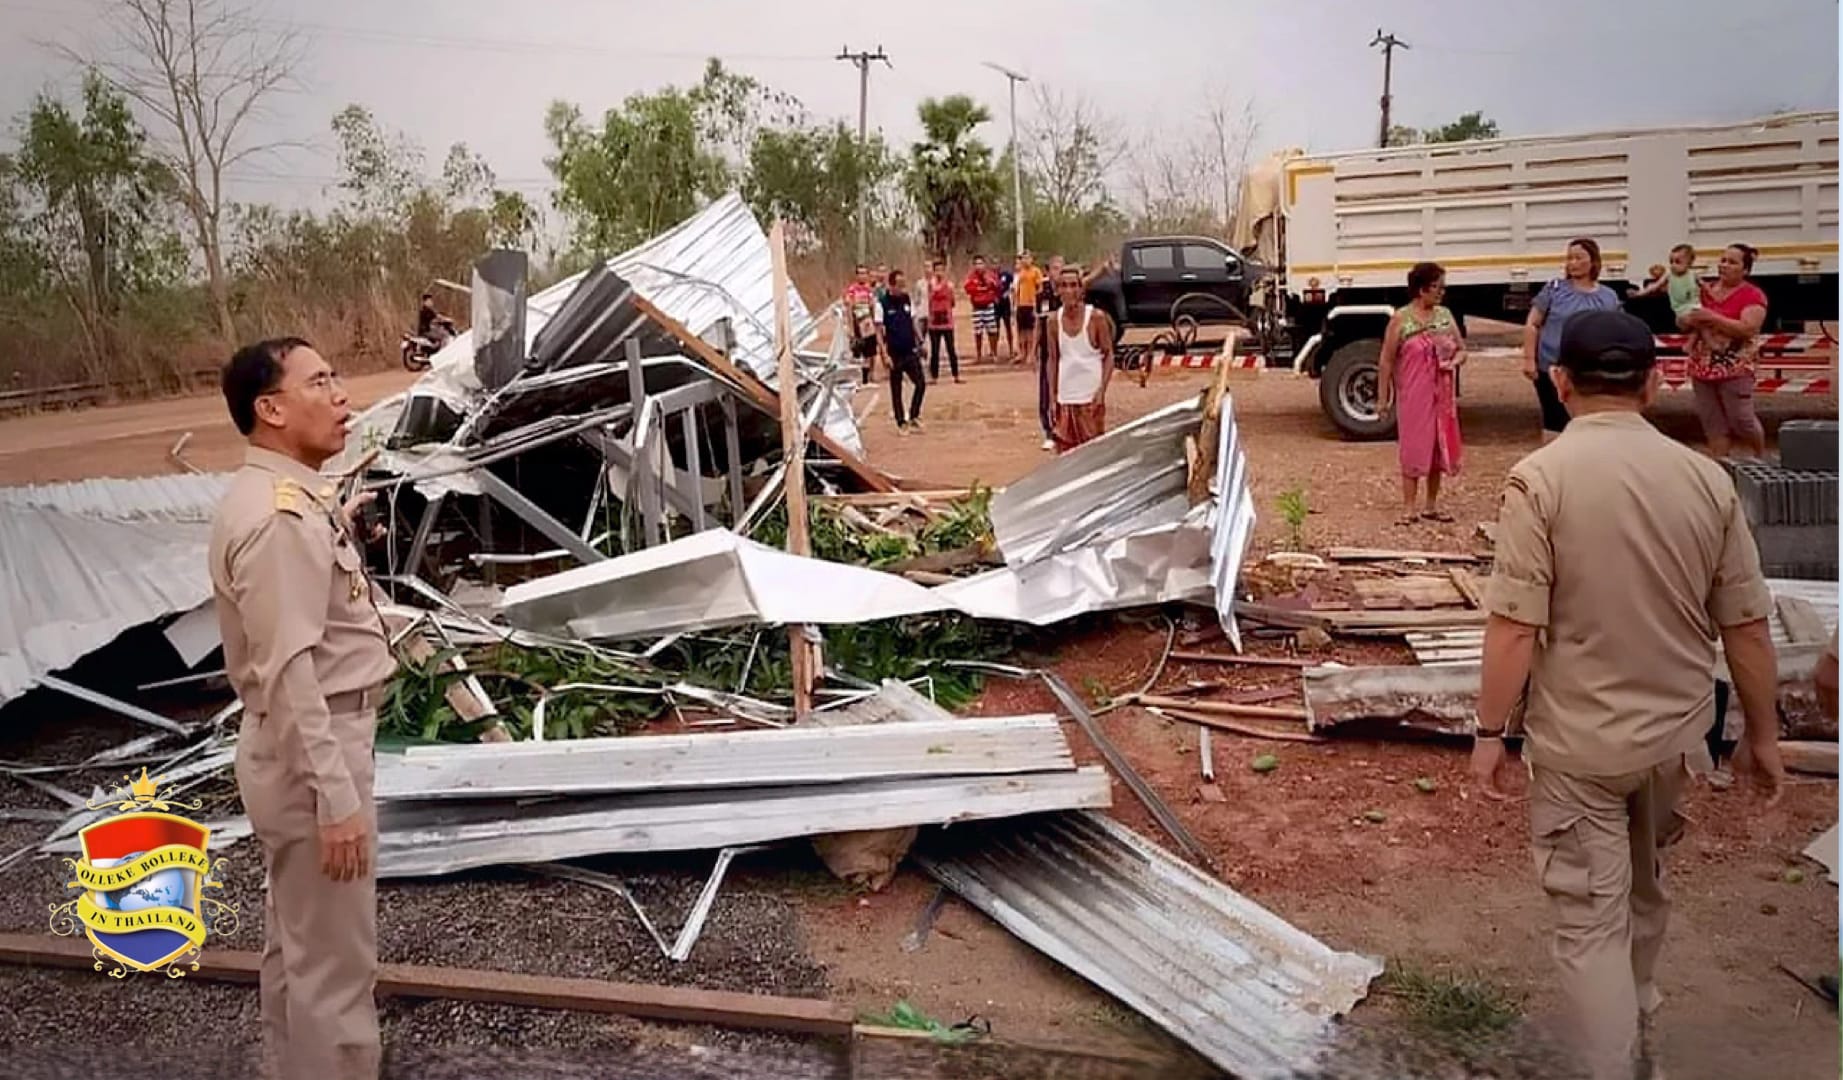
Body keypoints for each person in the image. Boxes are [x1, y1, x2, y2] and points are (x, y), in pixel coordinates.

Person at [1472, 309, 1784, 1080]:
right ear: (1654, 381)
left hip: (1580, 746)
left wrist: (1487, 737)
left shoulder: (1539, 479)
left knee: (1588, 923)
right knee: (1645, 894)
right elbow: (1744, 625)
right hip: (1672, 740)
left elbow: (1514, 627)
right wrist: (1763, 737)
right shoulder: (1704, 478)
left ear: (1558, 382)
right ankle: (1640, 1036)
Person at [211, 338, 398, 1080]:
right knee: (336, 974)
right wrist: (335, 796)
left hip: (292, 751)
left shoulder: (284, 498)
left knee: (298, 951)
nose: (342, 395)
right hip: (314, 752)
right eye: (320, 381)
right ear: (272, 408)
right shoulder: (281, 518)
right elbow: (290, 672)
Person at [1377, 262, 1465, 526]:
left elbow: (1462, 349)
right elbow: (1386, 360)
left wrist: (1455, 362)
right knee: (1414, 445)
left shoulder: (1445, 316)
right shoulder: (1401, 319)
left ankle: (1431, 505)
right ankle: (1408, 507)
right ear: (1421, 289)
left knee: (1439, 447)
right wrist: (1383, 397)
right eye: (1437, 287)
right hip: (1414, 394)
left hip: (1442, 393)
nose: (1441, 293)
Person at [1522, 238, 1620, 442]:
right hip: (1552, 368)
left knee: (1588, 420)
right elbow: (1533, 323)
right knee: (1555, 420)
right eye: (1569, 258)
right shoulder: (1555, 289)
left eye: (1578, 258)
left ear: (1593, 261)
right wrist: (1529, 359)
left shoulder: (1608, 297)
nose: (1572, 263)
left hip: (1590, 370)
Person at [1682, 243, 1769, 459]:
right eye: (1722, 260)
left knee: (1742, 419)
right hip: (1702, 367)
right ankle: (1721, 467)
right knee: (1712, 422)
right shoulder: (1704, 291)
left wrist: (1712, 318)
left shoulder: (1753, 295)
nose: (1724, 265)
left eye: (1732, 262)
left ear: (1745, 270)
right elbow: (1684, 322)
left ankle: (1760, 458)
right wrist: (1686, 318)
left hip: (1735, 367)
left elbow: (1748, 329)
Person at [1046, 266, 1115, 452]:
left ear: (1081, 289)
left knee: (1093, 453)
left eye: (1074, 285)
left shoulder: (1096, 318)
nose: (1069, 291)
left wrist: (1101, 391)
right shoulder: (1053, 321)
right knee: (1065, 456)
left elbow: (1108, 355)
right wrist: (1052, 398)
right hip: (1065, 398)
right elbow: (1052, 359)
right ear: (1058, 290)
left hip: (1090, 398)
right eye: (1064, 286)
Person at [877, 269, 925, 432]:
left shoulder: (906, 299)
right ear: (891, 285)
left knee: (921, 383)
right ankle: (901, 422)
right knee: (896, 389)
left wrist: (921, 341)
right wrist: (884, 355)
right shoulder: (882, 303)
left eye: (903, 285)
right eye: (899, 285)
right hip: (894, 353)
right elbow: (878, 331)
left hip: (909, 350)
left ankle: (913, 415)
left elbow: (913, 322)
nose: (902, 288)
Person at [1628, 244, 1701, 329]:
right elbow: (1654, 286)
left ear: (1689, 263)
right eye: (1671, 262)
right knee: (1692, 324)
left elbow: (1705, 288)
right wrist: (1638, 293)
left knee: (1701, 325)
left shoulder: (1693, 275)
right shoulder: (1669, 275)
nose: (1673, 265)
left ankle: (1697, 341)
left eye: (1677, 262)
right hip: (1680, 311)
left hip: (1695, 308)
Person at [926, 258, 960, 383]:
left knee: (951, 349)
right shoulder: (930, 285)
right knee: (935, 351)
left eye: (941, 270)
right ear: (934, 271)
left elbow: (953, 302)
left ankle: (956, 375)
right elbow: (929, 300)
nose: (939, 272)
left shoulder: (949, 285)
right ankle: (934, 376)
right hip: (934, 322)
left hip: (947, 322)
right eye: (937, 270)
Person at [844, 265, 879, 383]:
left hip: (868, 323)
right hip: (857, 323)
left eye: (864, 273)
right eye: (860, 273)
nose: (862, 276)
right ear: (856, 275)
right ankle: (860, 378)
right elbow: (849, 308)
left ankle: (869, 376)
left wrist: (875, 323)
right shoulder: (852, 290)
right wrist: (850, 327)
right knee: (858, 350)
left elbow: (872, 306)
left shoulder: (869, 290)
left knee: (870, 351)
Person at [964, 255, 1002, 363]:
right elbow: (968, 289)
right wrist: (979, 289)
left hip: (988, 306)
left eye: (981, 263)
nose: (979, 266)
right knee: (978, 332)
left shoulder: (990, 275)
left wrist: (990, 287)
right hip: (977, 307)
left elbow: (998, 286)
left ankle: (994, 353)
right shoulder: (971, 277)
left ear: (984, 265)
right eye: (976, 264)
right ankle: (979, 355)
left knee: (992, 331)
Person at [1013, 251, 1044, 370]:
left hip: (1031, 304)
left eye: (1028, 258)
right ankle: (1022, 353)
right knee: (1021, 330)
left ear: (1032, 259)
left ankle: (1031, 353)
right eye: (1023, 258)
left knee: (1031, 331)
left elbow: (1040, 288)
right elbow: (1017, 289)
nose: (1025, 261)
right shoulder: (1020, 272)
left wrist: (1036, 301)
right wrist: (1015, 303)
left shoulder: (1036, 271)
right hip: (1021, 304)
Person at [994, 257, 1016, 360]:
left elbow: (1013, 285)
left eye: (997, 263)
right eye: (994, 264)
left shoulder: (1006, 275)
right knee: (995, 328)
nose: (996, 266)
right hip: (995, 305)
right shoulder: (991, 276)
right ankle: (994, 351)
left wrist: (1007, 293)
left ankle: (1011, 349)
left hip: (1005, 304)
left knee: (1008, 327)